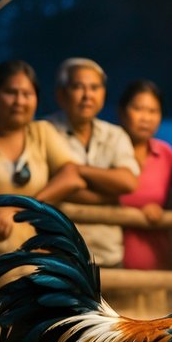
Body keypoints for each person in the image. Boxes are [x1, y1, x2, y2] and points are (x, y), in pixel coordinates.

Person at [0, 59, 83, 269]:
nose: (19, 101)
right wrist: (3, 202)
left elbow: (72, 177)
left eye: (27, 94)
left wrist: (23, 208)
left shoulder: (42, 132)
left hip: (36, 265)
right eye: (11, 92)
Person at [43, 58, 139, 267]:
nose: (87, 95)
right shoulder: (44, 131)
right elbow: (46, 185)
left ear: (103, 94)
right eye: (78, 87)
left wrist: (75, 171)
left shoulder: (115, 134)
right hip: (60, 255)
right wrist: (109, 194)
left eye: (94, 87)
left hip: (108, 254)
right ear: (61, 95)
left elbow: (128, 183)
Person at [116, 80, 172, 270]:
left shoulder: (166, 154)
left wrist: (162, 211)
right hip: (110, 263)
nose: (146, 118)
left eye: (153, 111)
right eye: (138, 109)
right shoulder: (108, 149)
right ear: (121, 112)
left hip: (158, 262)